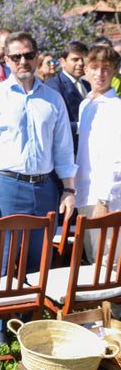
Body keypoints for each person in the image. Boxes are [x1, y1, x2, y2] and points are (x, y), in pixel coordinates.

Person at [0, 32, 77, 345]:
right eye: (16, 57)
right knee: (3, 256)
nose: (23, 62)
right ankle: (0, 325)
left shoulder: (53, 99)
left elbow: (64, 149)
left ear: (37, 55)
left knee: (37, 258)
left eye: (28, 55)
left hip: (45, 189)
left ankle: (27, 323)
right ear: (7, 60)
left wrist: (69, 190)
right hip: (6, 186)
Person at [75, 44, 121, 264]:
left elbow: (116, 160)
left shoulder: (116, 107)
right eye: (94, 67)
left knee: (108, 263)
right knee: (93, 260)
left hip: (106, 199)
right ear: (85, 70)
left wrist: (104, 199)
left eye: (106, 68)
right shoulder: (85, 105)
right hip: (84, 195)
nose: (100, 74)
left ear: (114, 72)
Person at [45, 41, 90, 155]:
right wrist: (83, 126)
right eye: (75, 59)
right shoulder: (53, 87)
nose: (80, 63)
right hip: (68, 154)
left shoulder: (87, 85)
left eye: (83, 59)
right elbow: (53, 124)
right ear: (62, 62)